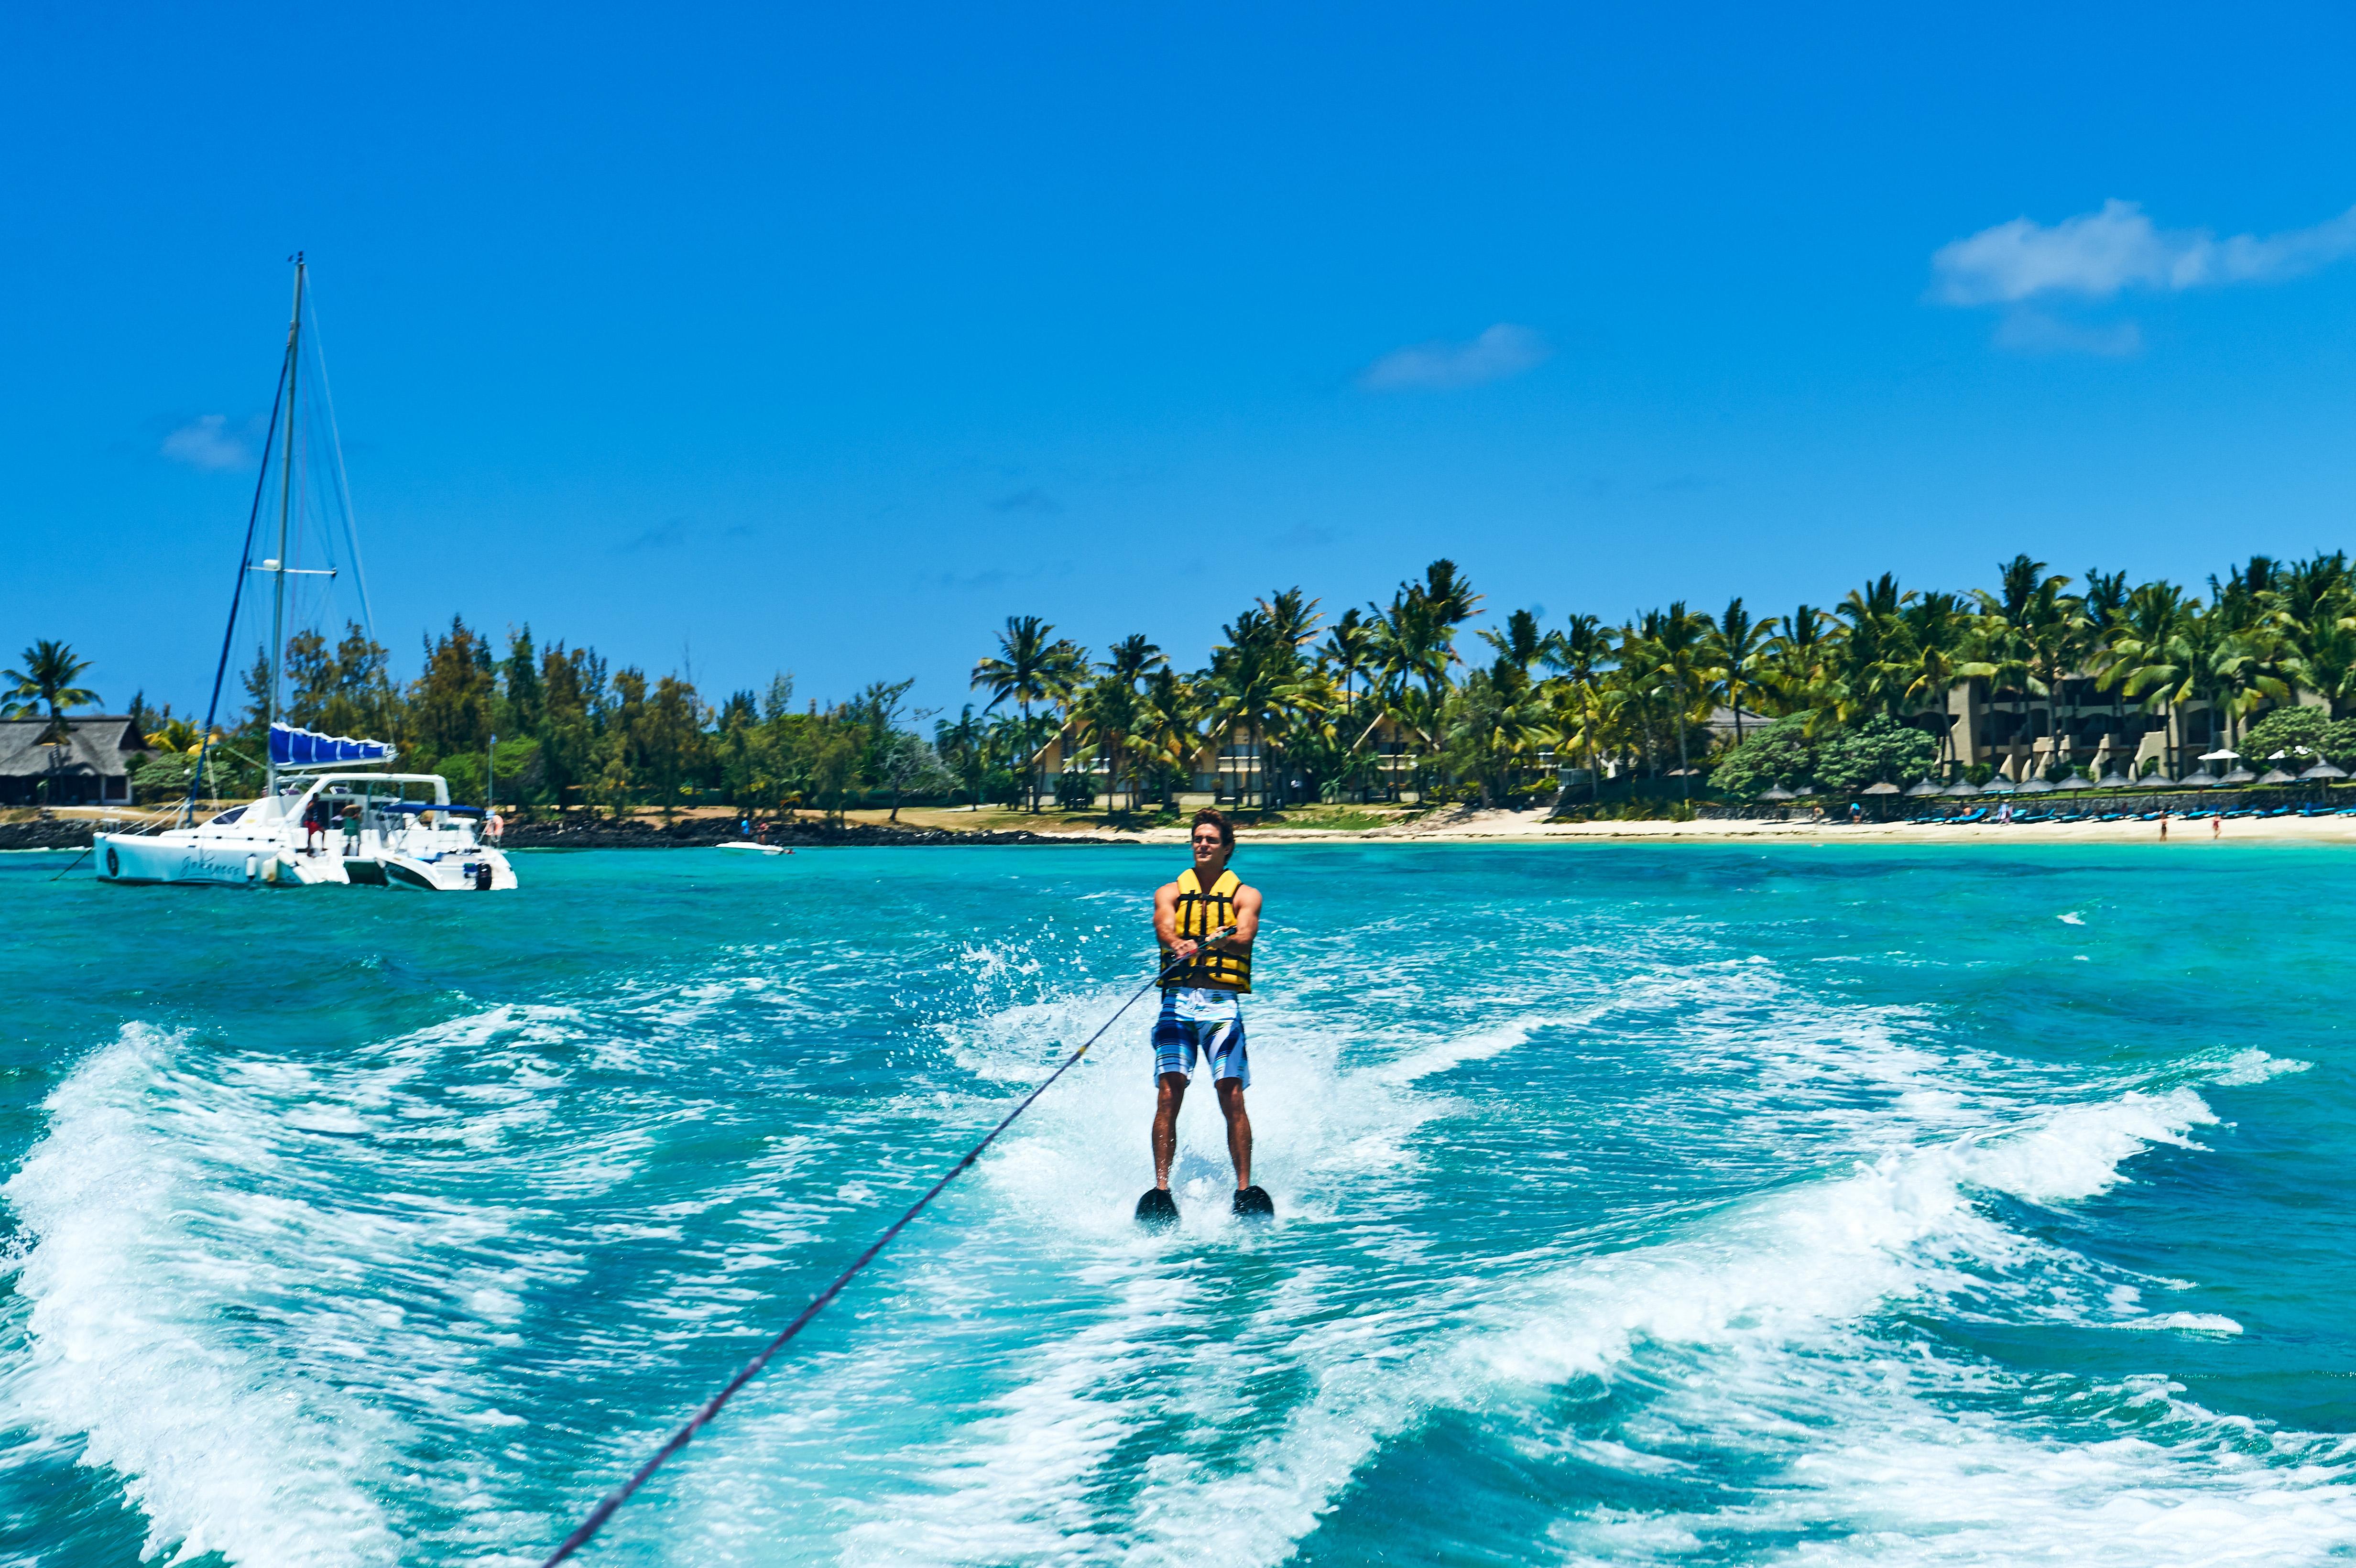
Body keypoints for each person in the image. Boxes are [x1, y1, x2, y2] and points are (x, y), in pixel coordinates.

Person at [1143, 807, 1270, 1222]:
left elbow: (1246, 934)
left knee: (1231, 1093)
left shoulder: (1245, 896)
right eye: (1197, 839)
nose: (1202, 845)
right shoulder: (1170, 892)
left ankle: (1244, 1189)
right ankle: (1162, 1190)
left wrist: (1209, 943)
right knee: (1169, 1090)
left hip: (1220, 1004)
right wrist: (1178, 942)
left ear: (1227, 848)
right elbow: (1164, 927)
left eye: (1211, 840)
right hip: (1177, 1001)